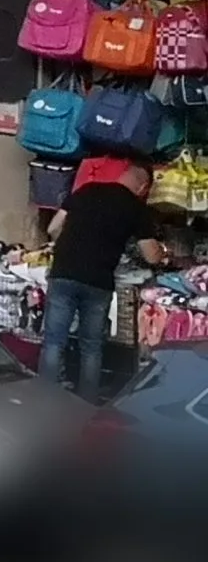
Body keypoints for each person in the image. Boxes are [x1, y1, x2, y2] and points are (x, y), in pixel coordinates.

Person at [41, 162, 167, 400]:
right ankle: (87, 401)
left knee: (53, 340)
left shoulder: (87, 190)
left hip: (64, 272)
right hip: (98, 281)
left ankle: (44, 396)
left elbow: (53, 227)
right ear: (142, 187)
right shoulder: (135, 208)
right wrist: (163, 254)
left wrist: (65, 245)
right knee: (91, 346)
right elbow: (151, 255)